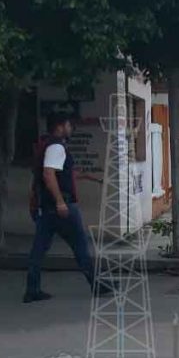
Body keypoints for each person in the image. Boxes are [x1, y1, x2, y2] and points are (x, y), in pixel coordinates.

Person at [24, 113, 108, 303]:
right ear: (61, 126)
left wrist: (92, 178)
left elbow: (66, 174)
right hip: (62, 207)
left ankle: (32, 289)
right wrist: (60, 201)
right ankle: (97, 285)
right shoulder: (56, 146)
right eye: (69, 125)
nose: (71, 129)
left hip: (48, 208)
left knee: (39, 249)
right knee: (81, 246)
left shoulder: (47, 145)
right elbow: (49, 174)